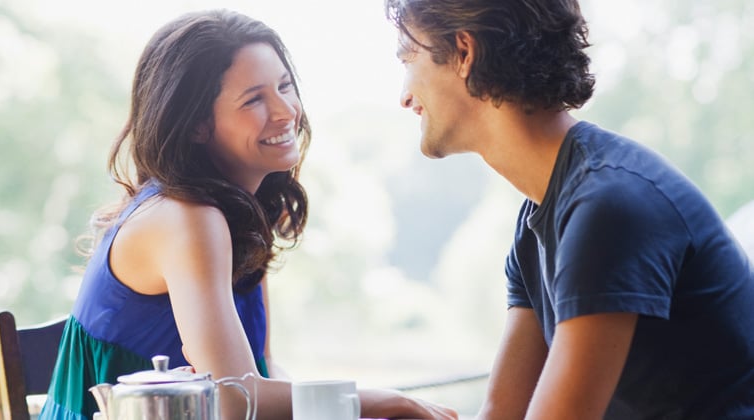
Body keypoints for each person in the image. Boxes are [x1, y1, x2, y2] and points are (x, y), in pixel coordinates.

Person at [40, 9, 457, 420]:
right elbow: (235, 398)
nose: (285, 111)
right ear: (197, 125)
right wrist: (387, 401)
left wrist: (347, 406)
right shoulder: (187, 219)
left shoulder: (235, 212)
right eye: (254, 99)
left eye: (285, 86)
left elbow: (262, 369)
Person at [384, 0, 754, 418]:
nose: (405, 95)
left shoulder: (609, 206)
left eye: (408, 59)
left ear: (464, 54)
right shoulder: (536, 221)